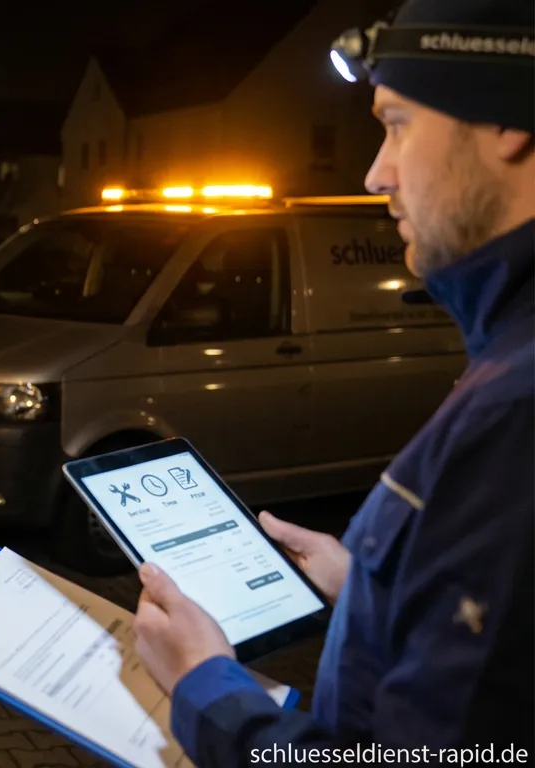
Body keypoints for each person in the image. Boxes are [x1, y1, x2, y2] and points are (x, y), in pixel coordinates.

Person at [131, 0, 534, 763]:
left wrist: (206, 685)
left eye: (397, 123)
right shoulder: (506, 358)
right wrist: (374, 590)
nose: (374, 172)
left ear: (504, 120)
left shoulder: (518, 411)